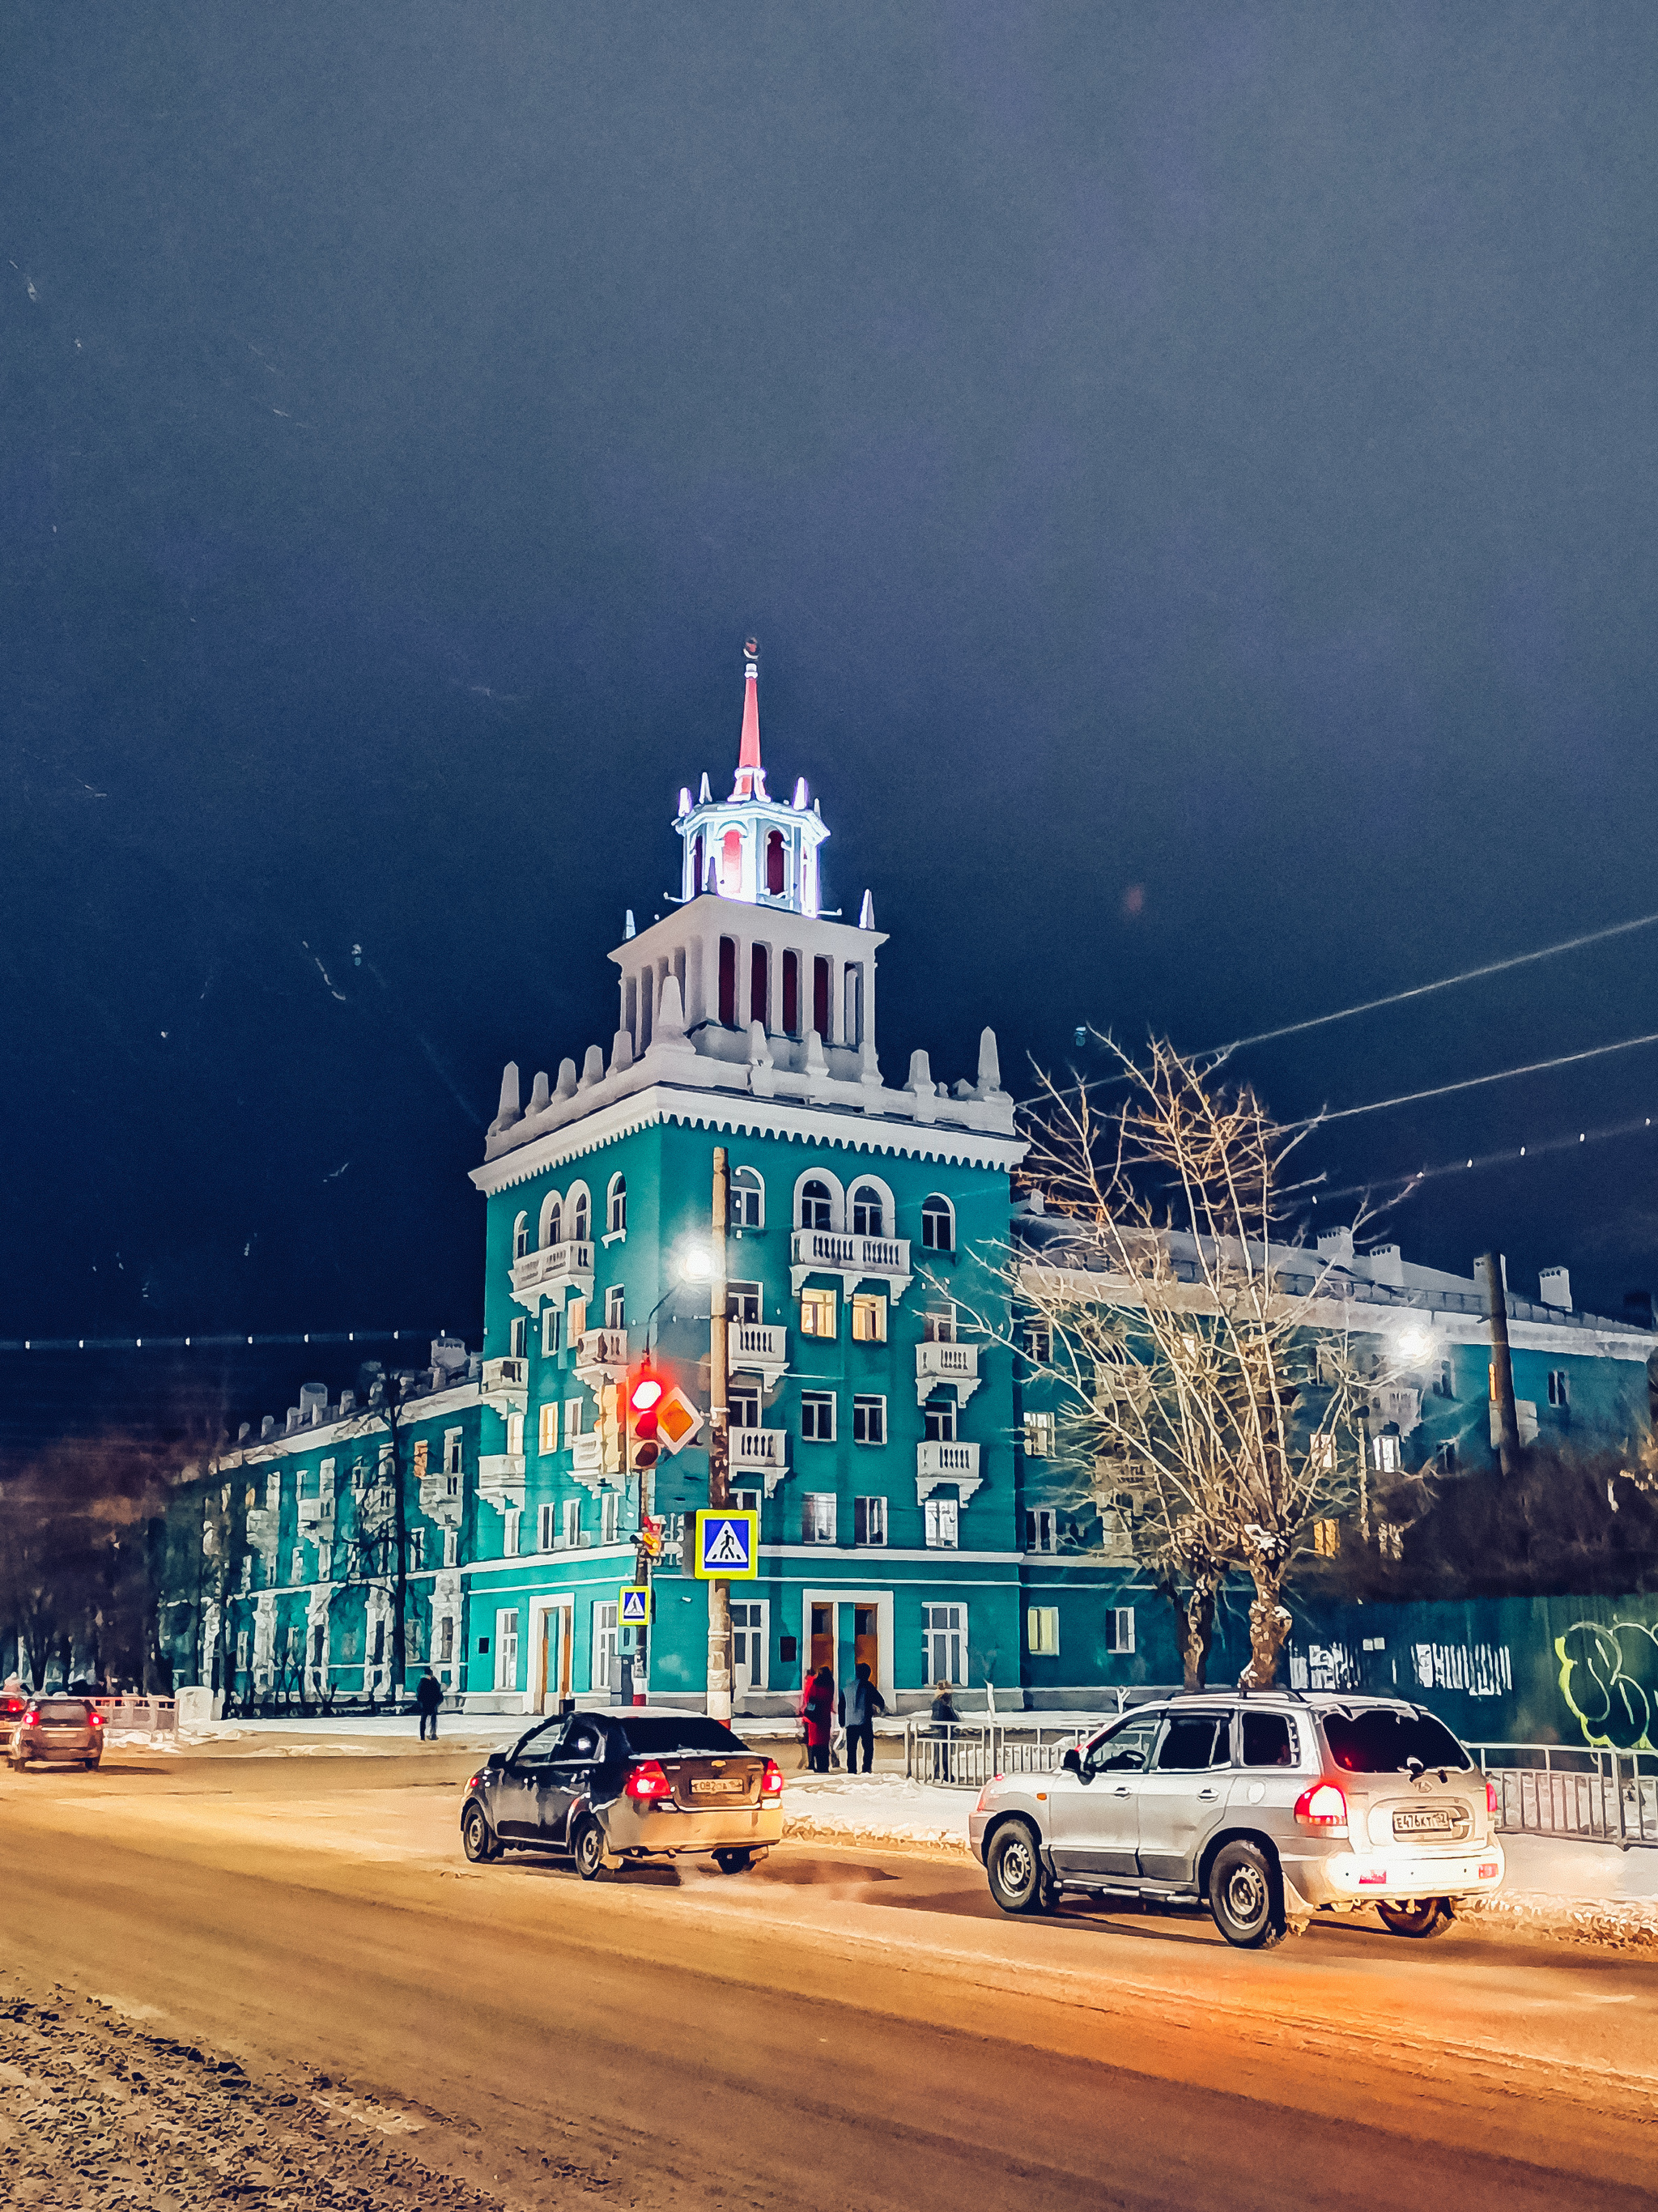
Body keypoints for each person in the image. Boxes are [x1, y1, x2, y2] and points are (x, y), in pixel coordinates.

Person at [838, 1661, 886, 1775]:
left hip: (850, 1723)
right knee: (868, 1747)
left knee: (851, 1749)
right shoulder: (867, 1686)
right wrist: (881, 1709)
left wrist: (842, 1721)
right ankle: (866, 1769)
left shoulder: (847, 1688)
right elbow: (879, 1700)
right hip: (864, 1722)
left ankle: (852, 1770)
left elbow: (841, 1706)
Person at [801, 1665, 835, 1774]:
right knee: (824, 1744)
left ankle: (814, 1764)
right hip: (825, 1718)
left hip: (814, 1719)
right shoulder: (830, 1685)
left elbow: (810, 1698)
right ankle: (824, 1766)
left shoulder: (815, 1684)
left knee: (815, 1743)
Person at [415, 1668, 444, 1740]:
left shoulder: (423, 1681)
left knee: (423, 1719)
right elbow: (438, 1691)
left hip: (425, 1703)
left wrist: (420, 1701)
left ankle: (422, 1736)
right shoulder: (434, 1681)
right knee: (433, 1719)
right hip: (433, 1702)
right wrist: (438, 1701)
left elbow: (419, 1692)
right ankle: (433, 1734)